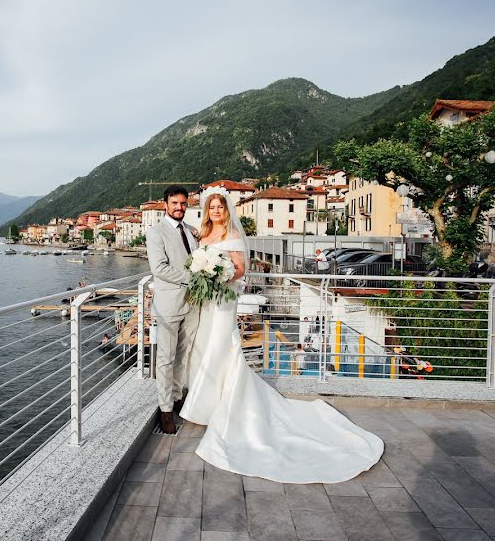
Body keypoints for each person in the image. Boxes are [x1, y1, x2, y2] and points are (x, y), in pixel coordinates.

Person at [179, 186, 383, 483]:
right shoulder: (203, 235)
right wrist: (204, 274)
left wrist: (219, 274)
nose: (216, 211)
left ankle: (224, 406)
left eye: (220, 207)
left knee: (222, 349)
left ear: (226, 210)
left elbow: (240, 269)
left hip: (223, 301)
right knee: (202, 348)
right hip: (206, 302)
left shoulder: (234, 235)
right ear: (207, 210)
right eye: (211, 207)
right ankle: (205, 404)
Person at [145, 185, 200, 435]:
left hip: (193, 304)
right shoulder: (155, 232)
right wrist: (194, 278)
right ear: (164, 204)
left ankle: (178, 396)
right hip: (169, 305)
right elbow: (159, 268)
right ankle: (165, 410)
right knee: (165, 359)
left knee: (184, 354)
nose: (179, 207)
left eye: (183, 203)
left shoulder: (191, 232)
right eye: (175, 203)